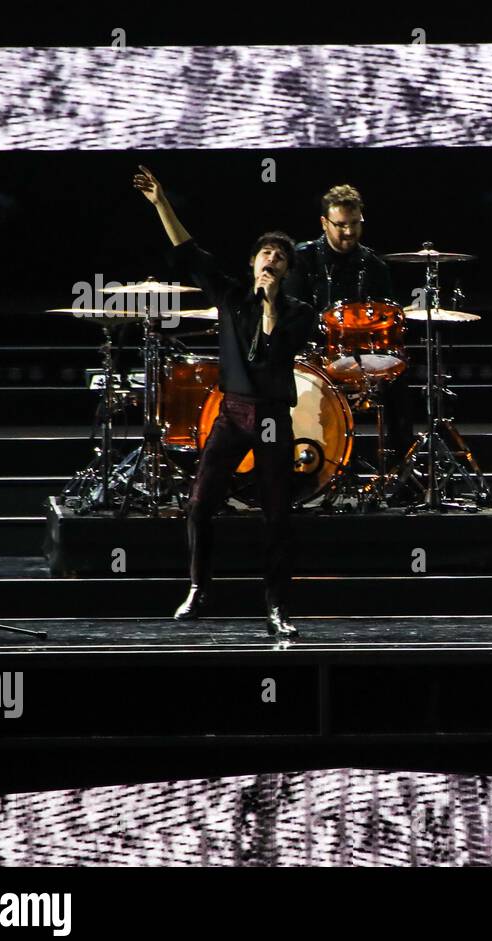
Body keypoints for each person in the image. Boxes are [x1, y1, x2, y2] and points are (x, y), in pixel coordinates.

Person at [133, 165, 313, 637]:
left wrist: (272, 304)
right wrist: (161, 204)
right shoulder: (231, 296)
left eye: (278, 256)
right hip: (231, 413)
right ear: (252, 261)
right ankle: (198, 587)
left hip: (272, 417)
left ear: (286, 271)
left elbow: (273, 350)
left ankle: (276, 604)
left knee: (277, 514)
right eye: (264, 253)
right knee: (199, 503)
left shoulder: (298, 313)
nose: (269, 259)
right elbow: (188, 251)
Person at [283, 184, 413, 465]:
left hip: (361, 356)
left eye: (355, 224)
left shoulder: (373, 264)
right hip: (314, 356)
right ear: (324, 223)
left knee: (399, 377)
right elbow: (292, 315)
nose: (349, 232)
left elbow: (388, 319)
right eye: (341, 225)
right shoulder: (302, 259)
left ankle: (400, 469)